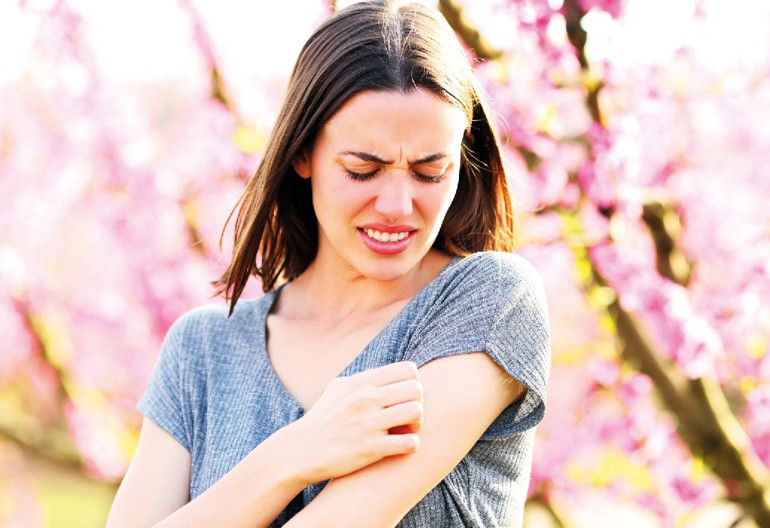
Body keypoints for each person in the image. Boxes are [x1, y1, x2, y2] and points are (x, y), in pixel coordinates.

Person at [107, 1, 550, 526]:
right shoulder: (201, 351)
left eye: (430, 172)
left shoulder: (490, 302)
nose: (397, 205)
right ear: (303, 154)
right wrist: (293, 455)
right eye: (364, 169)